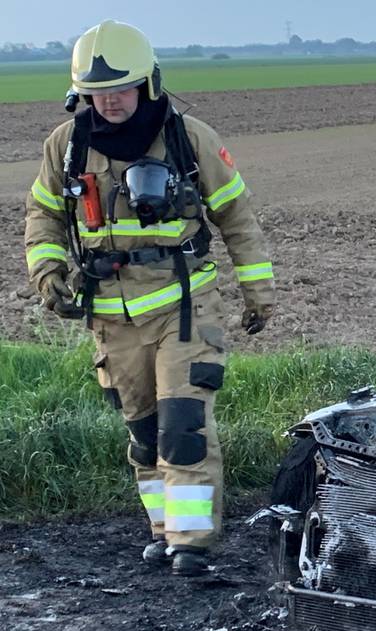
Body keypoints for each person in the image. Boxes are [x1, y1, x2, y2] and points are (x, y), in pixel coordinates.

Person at [23, 20, 276, 575]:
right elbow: (42, 218)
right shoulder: (65, 148)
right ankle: (164, 530)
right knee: (143, 436)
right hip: (111, 319)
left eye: (122, 87)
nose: (110, 101)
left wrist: (258, 292)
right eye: (97, 92)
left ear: (149, 83)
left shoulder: (191, 139)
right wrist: (48, 271)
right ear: (81, 93)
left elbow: (237, 217)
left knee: (183, 428)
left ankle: (192, 543)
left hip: (183, 307)